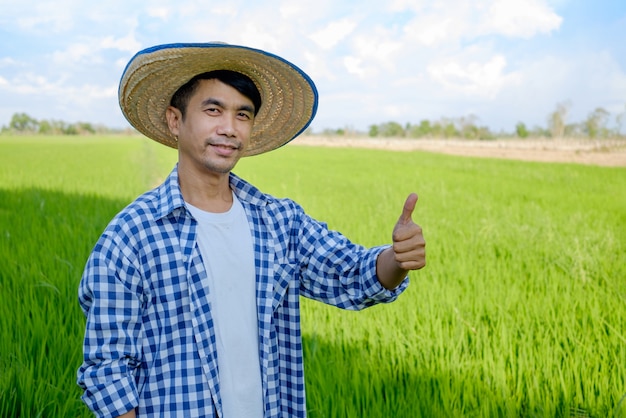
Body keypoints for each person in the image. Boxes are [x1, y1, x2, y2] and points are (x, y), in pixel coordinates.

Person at [77, 42, 426, 418]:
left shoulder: (279, 222)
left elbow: (352, 276)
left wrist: (396, 259)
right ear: (175, 120)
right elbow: (107, 369)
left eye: (242, 115)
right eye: (213, 110)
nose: (229, 128)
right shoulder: (131, 237)